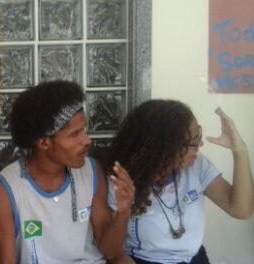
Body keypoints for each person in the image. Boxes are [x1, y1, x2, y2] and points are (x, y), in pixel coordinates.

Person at [0, 80, 135, 264]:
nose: (87, 140)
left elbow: (110, 251)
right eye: (75, 134)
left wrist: (123, 212)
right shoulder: (7, 187)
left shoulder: (91, 170)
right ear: (44, 142)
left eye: (84, 130)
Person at [104, 100, 253, 264]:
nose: (199, 145)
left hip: (194, 260)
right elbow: (112, 252)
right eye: (193, 142)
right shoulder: (123, 179)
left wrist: (240, 151)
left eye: (199, 137)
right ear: (164, 146)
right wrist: (123, 211)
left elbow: (241, 210)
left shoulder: (197, 165)